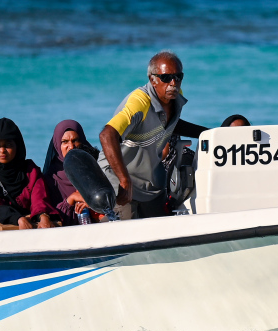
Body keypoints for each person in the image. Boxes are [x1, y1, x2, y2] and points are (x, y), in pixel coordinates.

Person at [66, 51, 207, 219]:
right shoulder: (140, 102)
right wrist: (124, 180)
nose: (173, 83)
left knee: (162, 233)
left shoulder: (175, 98)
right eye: (166, 77)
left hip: (151, 185)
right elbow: (107, 134)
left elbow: (172, 123)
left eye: (178, 76)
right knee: (127, 232)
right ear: (152, 79)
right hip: (121, 182)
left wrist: (210, 133)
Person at [42, 119, 103, 223]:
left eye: (75, 140)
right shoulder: (50, 179)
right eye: (65, 142)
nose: (71, 146)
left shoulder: (96, 167)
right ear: (57, 145)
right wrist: (71, 199)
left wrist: (93, 203)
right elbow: (53, 216)